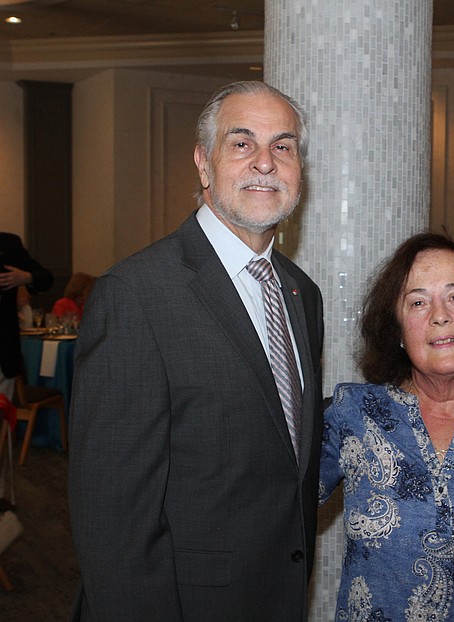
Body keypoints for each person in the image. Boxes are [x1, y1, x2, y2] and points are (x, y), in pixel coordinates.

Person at [68, 81, 324, 622]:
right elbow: (113, 518)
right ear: (203, 164)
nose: (265, 162)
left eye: (283, 145)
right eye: (241, 143)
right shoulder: (136, 295)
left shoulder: (303, 295)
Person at [320, 233, 454, 621]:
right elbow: (274, 507)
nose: (439, 315)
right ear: (399, 331)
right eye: (418, 302)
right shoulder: (355, 412)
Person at [0, 233, 53, 397]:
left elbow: (46, 278)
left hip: (3, 348)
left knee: (3, 411)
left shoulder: (9, 244)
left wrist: (25, 277)